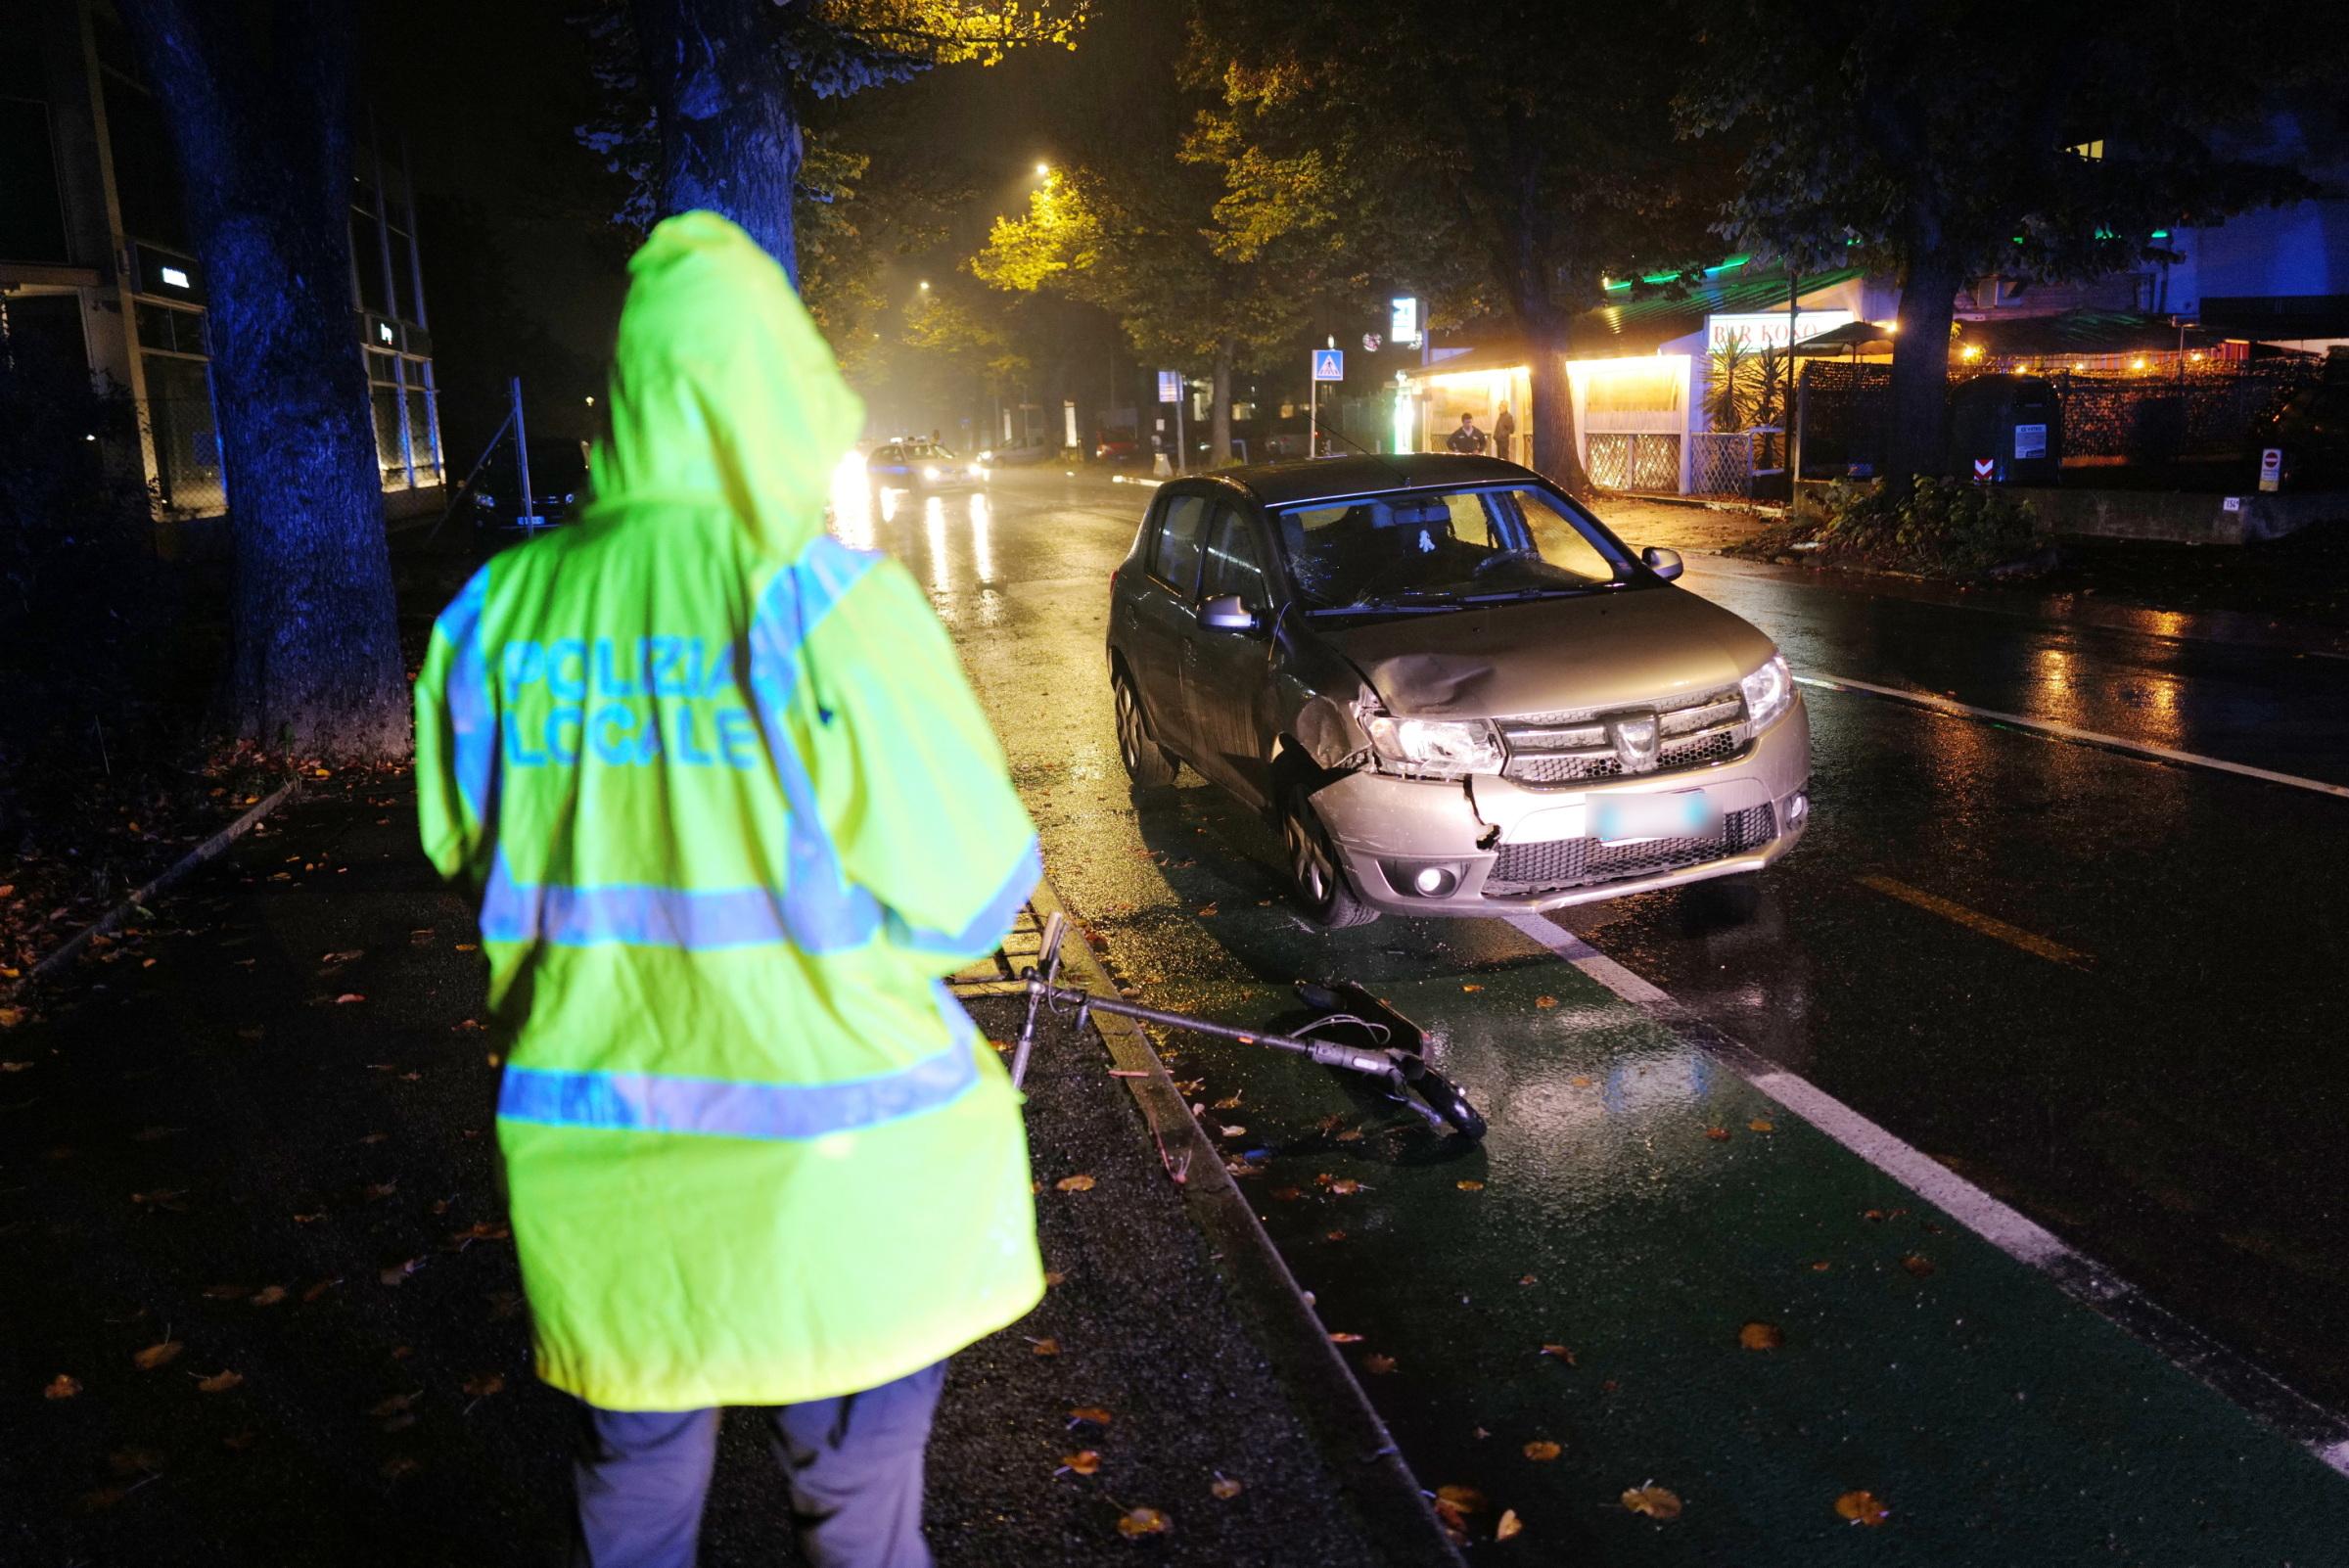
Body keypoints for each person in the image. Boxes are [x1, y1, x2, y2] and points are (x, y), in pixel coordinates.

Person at [414, 211, 1044, 1568]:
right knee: (860, 1512)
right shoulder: (828, 606)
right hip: (848, 1185)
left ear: (628, 402)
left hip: (606, 1189)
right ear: (783, 392)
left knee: (630, 1504)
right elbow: (973, 898)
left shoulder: (494, 613)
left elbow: (464, 849)